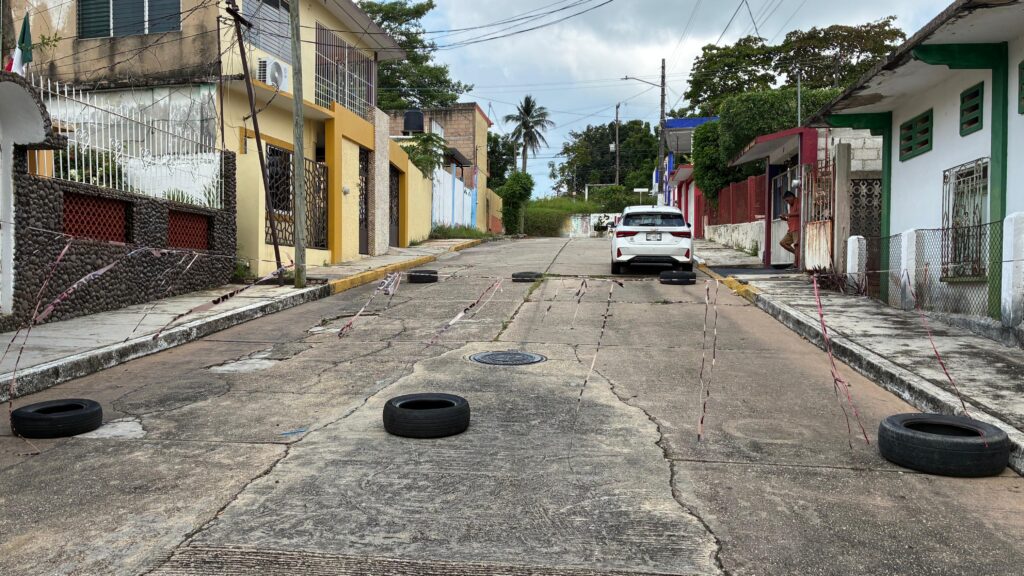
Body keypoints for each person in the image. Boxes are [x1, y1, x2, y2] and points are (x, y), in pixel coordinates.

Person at [779, 190, 800, 266]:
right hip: (791, 228)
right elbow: (792, 217)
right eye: (786, 201)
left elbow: (799, 213)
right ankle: (797, 255)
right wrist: (785, 218)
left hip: (796, 228)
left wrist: (787, 214)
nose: (787, 202)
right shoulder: (791, 205)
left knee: (796, 245)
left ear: (792, 197)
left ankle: (796, 263)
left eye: (787, 200)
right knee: (783, 243)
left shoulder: (798, 201)